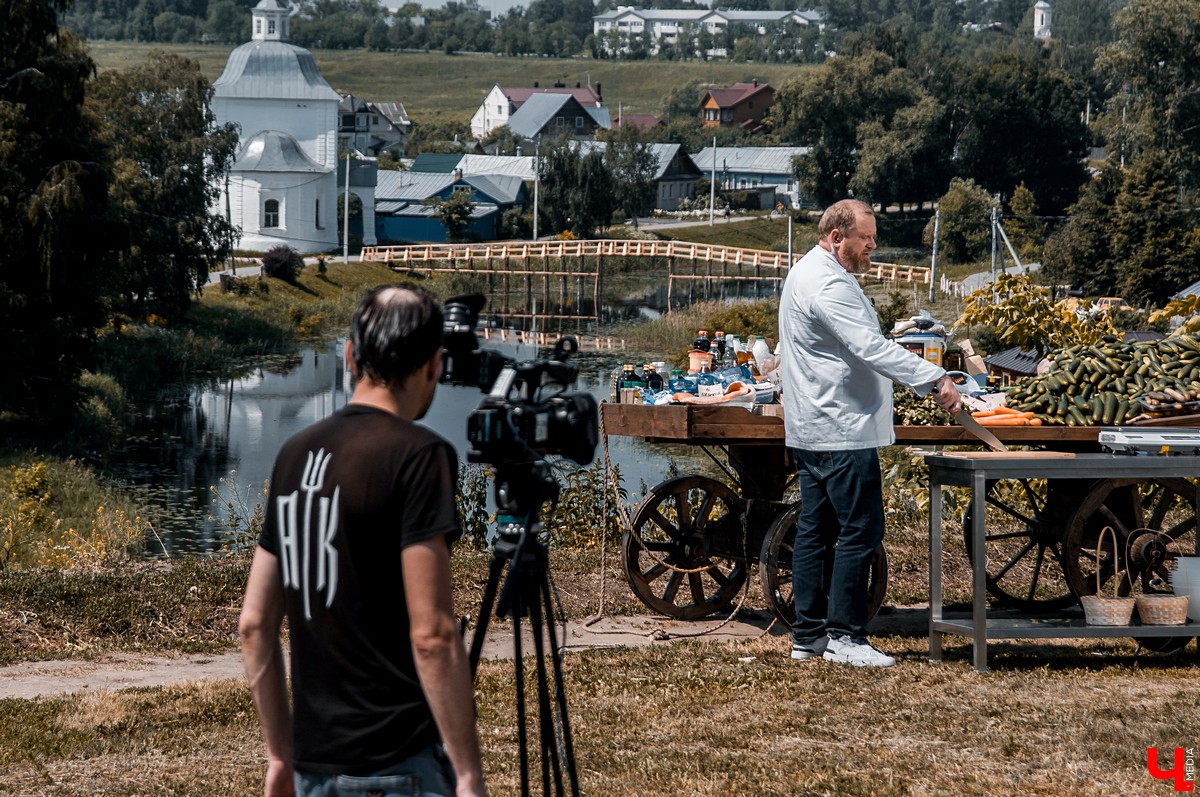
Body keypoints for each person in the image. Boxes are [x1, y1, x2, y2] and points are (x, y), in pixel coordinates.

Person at [239, 284, 487, 797]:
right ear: (434, 364)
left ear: (350, 355)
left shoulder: (293, 454)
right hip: (397, 764)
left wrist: (279, 757)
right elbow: (433, 635)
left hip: (312, 767)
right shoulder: (420, 456)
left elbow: (255, 623)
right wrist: (467, 775)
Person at [778, 199, 961, 668]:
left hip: (816, 426)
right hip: (840, 428)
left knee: (816, 533)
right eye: (865, 238)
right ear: (838, 237)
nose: (873, 245)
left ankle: (808, 638)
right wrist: (934, 378)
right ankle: (845, 637)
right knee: (861, 530)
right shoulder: (826, 283)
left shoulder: (811, 272)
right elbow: (870, 347)